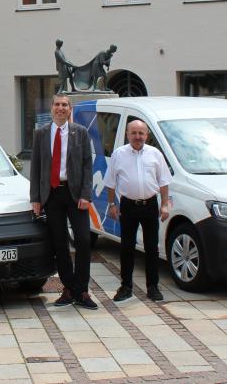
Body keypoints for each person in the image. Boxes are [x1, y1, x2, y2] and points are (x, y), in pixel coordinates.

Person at [30, 94, 97, 310]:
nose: (60, 108)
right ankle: (68, 289)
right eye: (57, 104)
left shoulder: (81, 133)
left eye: (64, 105)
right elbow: (36, 167)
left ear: (70, 109)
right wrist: (36, 198)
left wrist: (86, 195)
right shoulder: (41, 134)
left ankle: (82, 290)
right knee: (59, 244)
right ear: (51, 108)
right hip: (52, 194)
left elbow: (88, 165)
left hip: (75, 194)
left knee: (84, 241)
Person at [104, 120, 171, 302]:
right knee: (126, 248)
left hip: (150, 205)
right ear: (127, 134)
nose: (137, 137)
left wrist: (164, 204)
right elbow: (110, 182)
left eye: (141, 133)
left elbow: (164, 181)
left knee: (151, 248)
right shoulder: (119, 154)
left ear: (146, 135)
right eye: (133, 133)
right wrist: (111, 204)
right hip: (128, 206)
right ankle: (126, 287)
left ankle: (153, 287)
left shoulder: (155, 154)